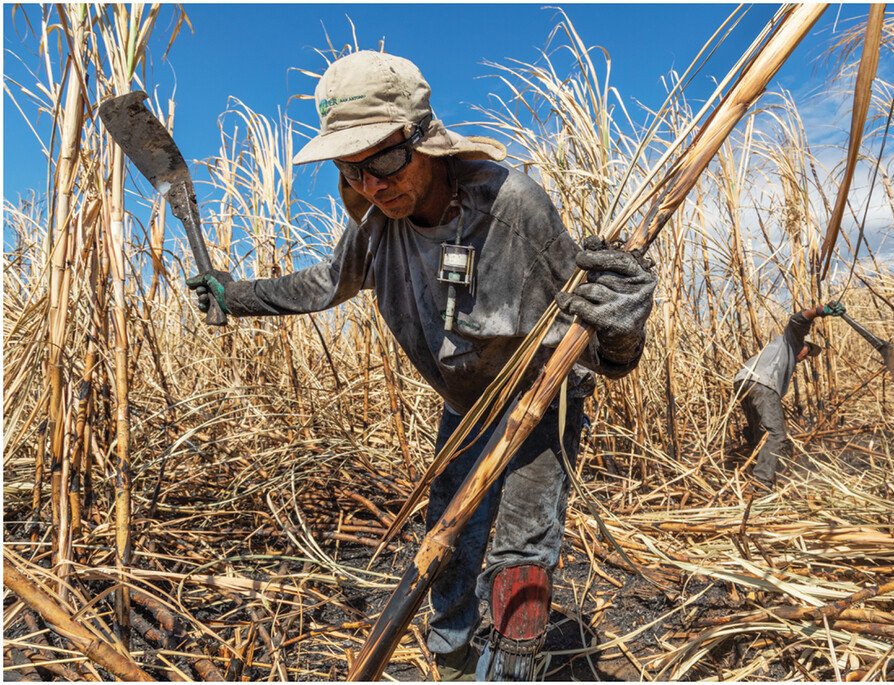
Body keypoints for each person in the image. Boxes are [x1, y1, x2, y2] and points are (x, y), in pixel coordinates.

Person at [186, 51, 656, 681]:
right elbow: (323, 285)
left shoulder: (513, 208)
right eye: (352, 171)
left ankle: (513, 666)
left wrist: (624, 328)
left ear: (424, 139)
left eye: (382, 160)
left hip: (540, 396)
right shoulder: (377, 227)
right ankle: (453, 658)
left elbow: (598, 344)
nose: (372, 185)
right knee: (448, 534)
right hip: (463, 406)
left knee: (523, 545)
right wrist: (232, 295)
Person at [732, 302, 845, 488]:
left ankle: (752, 469)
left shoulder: (779, 356)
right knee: (776, 435)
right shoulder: (790, 341)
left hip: (742, 382)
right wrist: (819, 311)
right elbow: (797, 321)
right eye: (808, 350)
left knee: (758, 432)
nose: (805, 357)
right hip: (762, 383)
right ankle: (761, 482)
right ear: (803, 343)